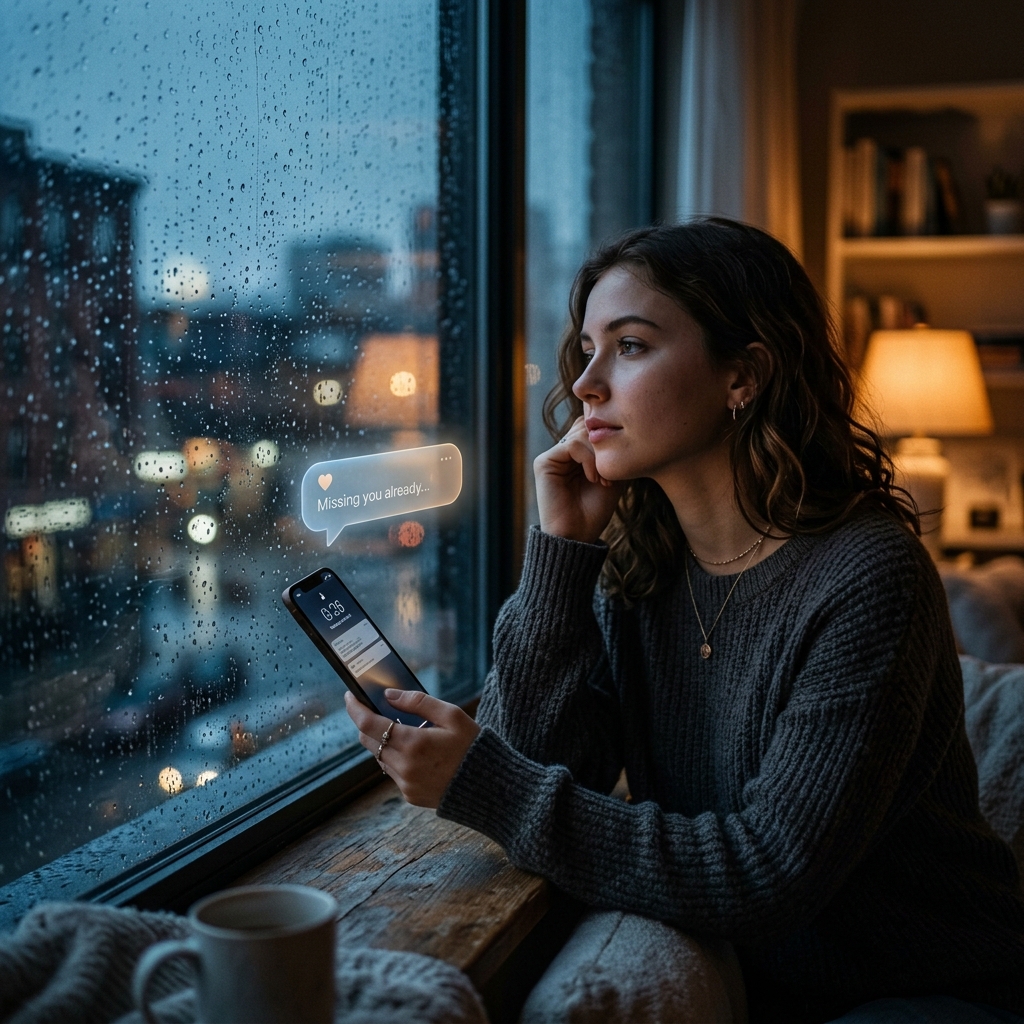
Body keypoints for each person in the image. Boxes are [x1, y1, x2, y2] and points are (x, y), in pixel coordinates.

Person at [344, 219, 1024, 1023]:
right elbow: (540, 756)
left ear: (744, 374)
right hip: (782, 992)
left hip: (929, 994)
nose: (587, 384)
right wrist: (561, 550)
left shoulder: (869, 575)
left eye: (629, 346)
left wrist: (480, 782)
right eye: (588, 348)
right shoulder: (640, 569)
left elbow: (763, 876)